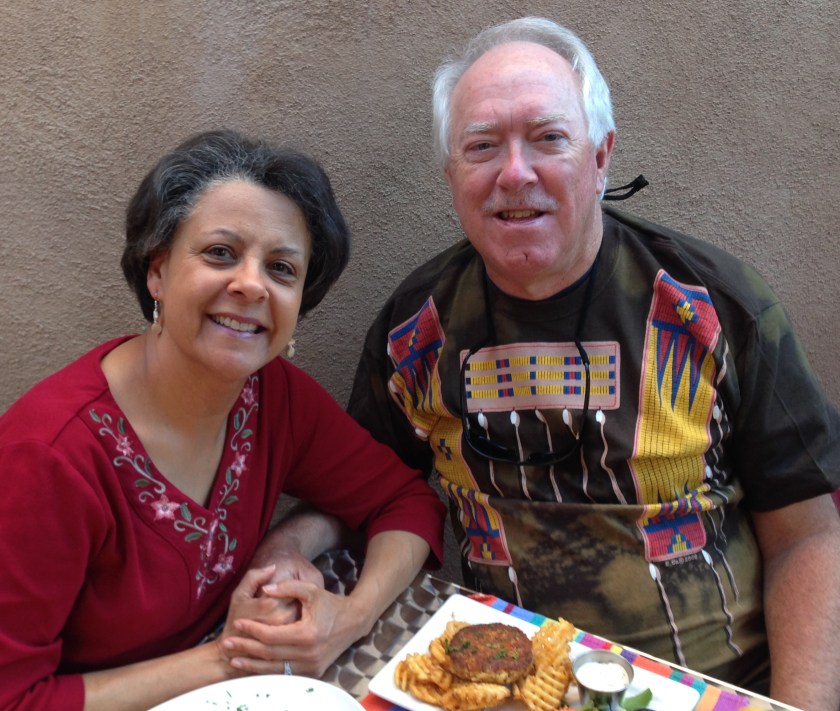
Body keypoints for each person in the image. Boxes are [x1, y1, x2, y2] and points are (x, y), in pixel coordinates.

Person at [348, 17, 840, 710]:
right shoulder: (415, 327)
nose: (515, 174)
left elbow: (808, 537)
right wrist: (287, 551)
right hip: (507, 688)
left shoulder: (716, 308)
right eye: (482, 146)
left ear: (602, 156)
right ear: (452, 174)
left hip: (720, 687)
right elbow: (365, 488)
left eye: (549, 139)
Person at [0, 128, 445, 710]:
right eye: (220, 253)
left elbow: (405, 502)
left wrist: (343, 609)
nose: (251, 284)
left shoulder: (274, 395)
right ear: (156, 270)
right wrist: (227, 656)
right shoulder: (48, 457)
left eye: (282, 269)